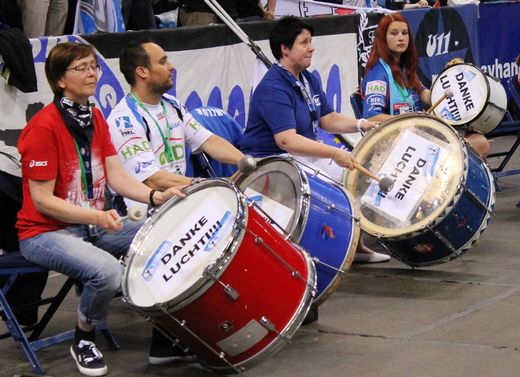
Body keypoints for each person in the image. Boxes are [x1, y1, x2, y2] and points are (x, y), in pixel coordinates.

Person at [16, 42, 184, 377]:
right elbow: (42, 201)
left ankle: (166, 339)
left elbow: (118, 177)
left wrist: (154, 198)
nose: (92, 73)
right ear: (60, 80)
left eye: (93, 66)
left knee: (169, 234)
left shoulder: (94, 116)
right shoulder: (43, 127)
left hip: (93, 226)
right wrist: (95, 216)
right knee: (108, 272)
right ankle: (83, 337)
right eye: (81, 68)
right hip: (45, 232)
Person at [106, 39, 245, 363]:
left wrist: (246, 163)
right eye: (163, 61)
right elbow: (150, 178)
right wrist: (209, 185)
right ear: (142, 72)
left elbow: (208, 140)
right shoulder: (124, 119)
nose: (172, 67)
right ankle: (168, 338)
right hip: (143, 211)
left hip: (179, 199)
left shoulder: (172, 106)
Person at [240, 16, 390, 264]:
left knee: (357, 175)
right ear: (284, 49)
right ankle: (341, 247)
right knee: (344, 178)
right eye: (304, 42)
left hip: (299, 154)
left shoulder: (307, 78)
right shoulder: (273, 87)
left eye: (311, 41)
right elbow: (286, 141)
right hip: (273, 162)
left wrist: (360, 123)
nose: (311, 47)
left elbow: (327, 118)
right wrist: (333, 153)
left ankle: (356, 245)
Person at [361, 13, 490, 159]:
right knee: (477, 145)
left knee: (479, 141)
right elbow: (372, 117)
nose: (401, 38)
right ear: (383, 39)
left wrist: (449, 78)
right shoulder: (377, 74)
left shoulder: (404, 67)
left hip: (416, 132)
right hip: (396, 142)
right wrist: (411, 121)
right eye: (394, 33)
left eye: (404, 33)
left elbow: (427, 95)